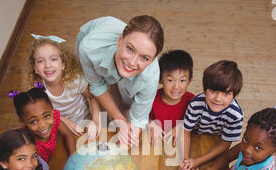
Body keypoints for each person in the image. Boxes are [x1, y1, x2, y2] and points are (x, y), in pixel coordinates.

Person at [76, 15, 164, 146]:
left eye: (145, 58)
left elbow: (138, 120)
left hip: (135, 77)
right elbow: (97, 85)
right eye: (130, 49)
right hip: (97, 53)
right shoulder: (89, 48)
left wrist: (124, 143)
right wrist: (119, 119)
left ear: (152, 60)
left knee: (124, 103)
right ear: (120, 40)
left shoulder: (151, 76)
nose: (132, 63)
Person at [27, 33, 100, 140]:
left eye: (53, 59)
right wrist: (65, 122)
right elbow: (43, 114)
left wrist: (96, 121)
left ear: (63, 64)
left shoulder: (75, 81)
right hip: (59, 132)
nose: (47, 65)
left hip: (85, 127)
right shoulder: (37, 90)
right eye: (40, 61)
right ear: (35, 68)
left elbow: (93, 96)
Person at [179, 60, 243, 170]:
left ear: (234, 95)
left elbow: (225, 144)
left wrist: (197, 161)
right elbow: (185, 132)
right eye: (213, 91)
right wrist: (185, 160)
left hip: (216, 145)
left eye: (226, 93)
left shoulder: (236, 115)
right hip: (193, 139)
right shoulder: (195, 104)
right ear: (205, 89)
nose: (218, 99)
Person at [10, 87, 75, 167]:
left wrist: (72, 159)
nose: (43, 125)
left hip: (54, 158)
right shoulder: (26, 142)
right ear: (23, 122)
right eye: (33, 121)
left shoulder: (55, 118)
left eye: (47, 116)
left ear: (52, 110)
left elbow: (67, 134)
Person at [149, 49, 195, 146]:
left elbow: (199, 123)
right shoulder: (150, 98)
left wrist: (182, 126)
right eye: (170, 80)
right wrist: (149, 123)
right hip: (155, 144)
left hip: (180, 146)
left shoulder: (193, 101)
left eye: (182, 80)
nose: (176, 87)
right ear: (160, 79)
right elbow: (139, 116)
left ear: (190, 80)